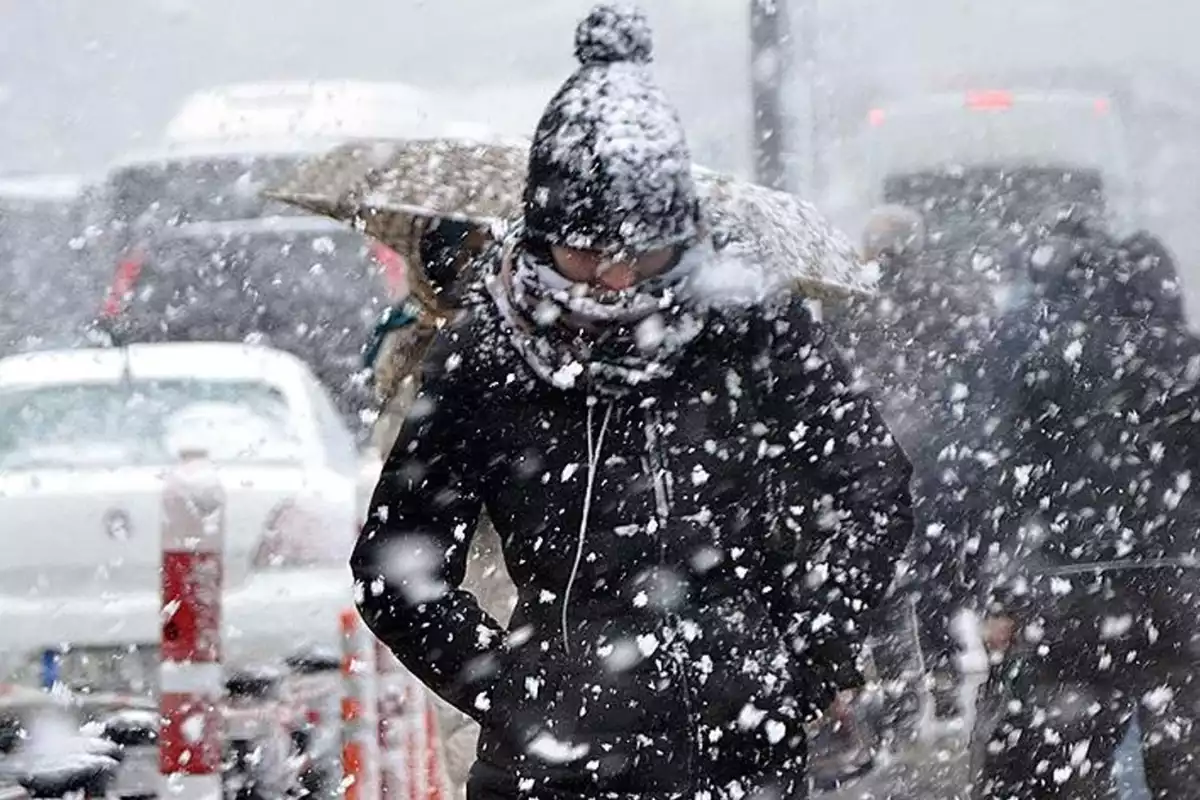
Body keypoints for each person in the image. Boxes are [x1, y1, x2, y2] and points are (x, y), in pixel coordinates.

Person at [351, 5, 915, 799]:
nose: (614, 282)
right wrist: (515, 693)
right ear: (542, 235)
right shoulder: (487, 352)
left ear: (681, 236)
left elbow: (872, 485)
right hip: (550, 767)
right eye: (586, 254)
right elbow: (395, 569)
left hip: (740, 752)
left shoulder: (748, 327)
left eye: (641, 254)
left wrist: (807, 653)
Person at [969, 217, 1200, 798]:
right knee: (1181, 755)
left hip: (1066, 592)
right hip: (1177, 587)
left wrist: (1001, 596)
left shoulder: (1044, 362)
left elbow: (1008, 482)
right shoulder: (1185, 361)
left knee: (1065, 753)